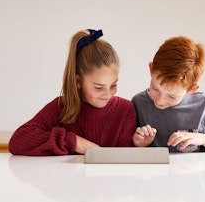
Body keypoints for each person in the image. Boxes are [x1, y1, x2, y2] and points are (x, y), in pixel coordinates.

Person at [9, 29, 137, 156]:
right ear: (78, 81)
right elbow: (17, 141)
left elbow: (125, 164)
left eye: (113, 85)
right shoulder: (62, 108)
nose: (108, 94)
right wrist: (74, 141)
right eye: (98, 87)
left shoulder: (125, 110)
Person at [132, 36, 205, 153]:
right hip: (155, 171)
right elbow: (127, 152)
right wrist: (140, 144)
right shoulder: (138, 103)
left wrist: (203, 139)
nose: (160, 101)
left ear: (192, 89)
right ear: (151, 69)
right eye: (155, 88)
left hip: (193, 171)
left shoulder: (204, 104)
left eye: (172, 96)